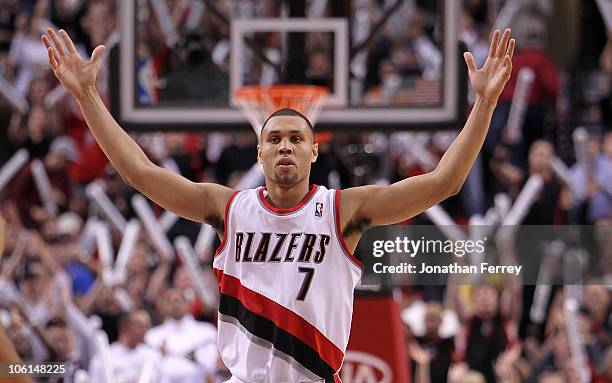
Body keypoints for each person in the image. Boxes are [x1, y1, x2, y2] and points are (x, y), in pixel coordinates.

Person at [41, 27, 515, 382]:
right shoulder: (228, 207)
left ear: (313, 151)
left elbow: (444, 182)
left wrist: (485, 105)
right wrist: (86, 96)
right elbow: (140, 174)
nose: (285, 146)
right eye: (274, 138)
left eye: (295, 138)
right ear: (260, 152)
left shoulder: (342, 210)